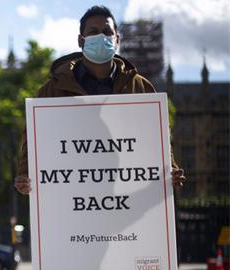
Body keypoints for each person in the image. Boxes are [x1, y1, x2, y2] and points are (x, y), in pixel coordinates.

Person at [14, 5, 185, 194]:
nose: (101, 37)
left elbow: (157, 138)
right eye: (93, 32)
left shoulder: (140, 88)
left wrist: (171, 169)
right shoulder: (52, 90)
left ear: (117, 39)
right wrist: (25, 175)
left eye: (107, 32)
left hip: (124, 194)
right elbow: (34, 140)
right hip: (74, 196)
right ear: (81, 40)